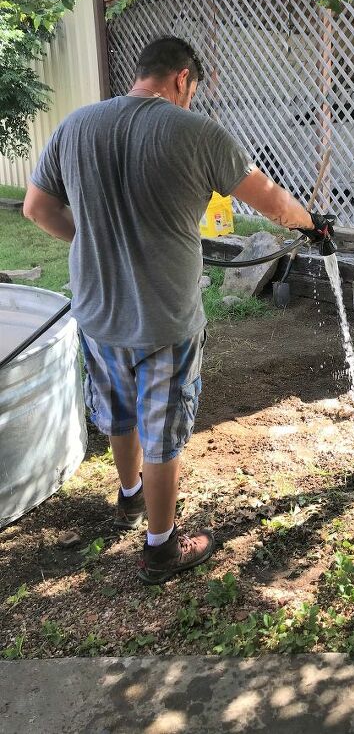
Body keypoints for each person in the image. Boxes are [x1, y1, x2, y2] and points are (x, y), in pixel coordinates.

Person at [24, 36, 332, 584]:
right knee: (162, 430)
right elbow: (272, 202)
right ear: (182, 79)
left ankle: (129, 495)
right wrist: (312, 225)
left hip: (97, 312)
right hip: (166, 316)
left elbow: (36, 208)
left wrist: (86, 245)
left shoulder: (75, 126)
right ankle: (162, 548)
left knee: (119, 411)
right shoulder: (197, 133)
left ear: (143, 73)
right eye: (191, 87)